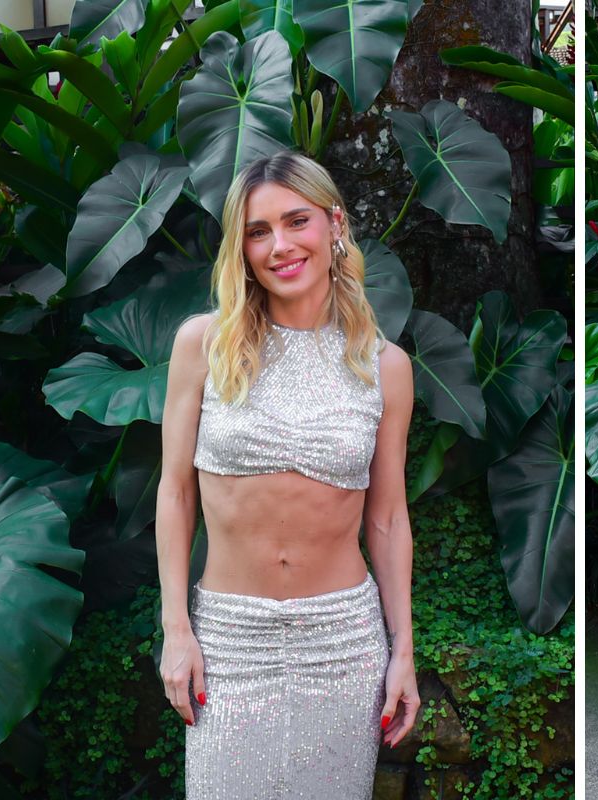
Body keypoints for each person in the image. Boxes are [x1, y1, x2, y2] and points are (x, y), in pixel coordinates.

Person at [155, 150, 420, 798]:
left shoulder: (385, 367)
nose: (280, 246)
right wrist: (176, 630)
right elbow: (176, 492)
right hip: (228, 641)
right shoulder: (204, 346)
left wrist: (403, 651)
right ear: (241, 249)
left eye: (296, 221)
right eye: (258, 231)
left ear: (334, 224)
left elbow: (388, 517)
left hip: (342, 641)